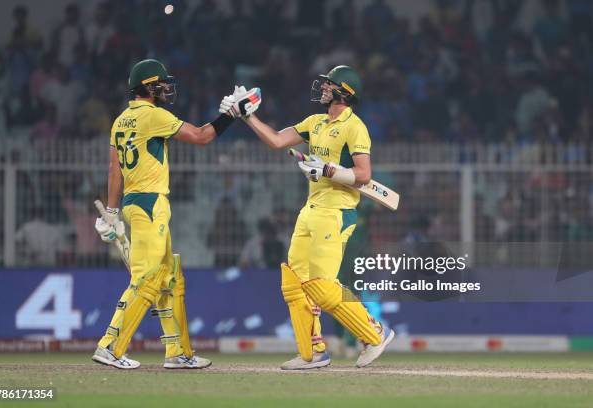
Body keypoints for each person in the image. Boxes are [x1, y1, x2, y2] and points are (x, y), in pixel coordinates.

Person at [222, 65, 394, 369]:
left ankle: (374, 333)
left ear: (344, 91)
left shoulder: (355, 127)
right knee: (294, 283)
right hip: (311, 210)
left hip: (337, 212)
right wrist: (246, 116)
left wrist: (329, 170)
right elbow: (276, 141)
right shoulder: (314, 122)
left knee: (323, 288)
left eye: (329, 85)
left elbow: (365, 175)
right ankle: (312, 352)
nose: (323, 88)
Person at [92, 59, 238, 369]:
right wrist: (231, 115)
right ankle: (110, 346)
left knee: (169, 278)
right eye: (161, 83)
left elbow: (114, 168)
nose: (166, 89)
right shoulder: (153, 116)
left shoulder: (121, 120)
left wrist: (112, 213)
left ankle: (178, 353)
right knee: (146, 278)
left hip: (135, 202)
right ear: (148, 86)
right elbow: (201, 136)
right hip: (150, 204)